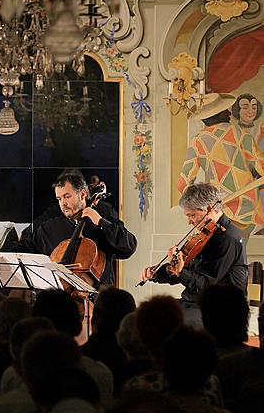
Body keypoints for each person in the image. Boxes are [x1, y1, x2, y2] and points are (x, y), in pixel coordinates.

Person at [140, 183, 248, 326]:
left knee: (165, 324)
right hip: (195, 302)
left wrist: (180, 272)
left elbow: (207, 285)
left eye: (192, 215)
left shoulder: (227, 237)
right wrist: (157, 273)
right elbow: (187, 268)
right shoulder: (205, 235)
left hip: (219, 306)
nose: (189, 221)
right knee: (144, 314)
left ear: (209, 209)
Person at [13, 170, 137, 286]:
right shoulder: (49, 228)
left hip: (99, 303)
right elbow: (27, 248)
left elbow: (129, 247)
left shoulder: (104, 224)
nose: (63, 203)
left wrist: (101, 222)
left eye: (67, 196)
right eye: (59, 199)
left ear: (82, 194)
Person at [177, 93, 264, 240]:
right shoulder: (242, 134)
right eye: (225, 110)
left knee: (225, 253)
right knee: (238, 253)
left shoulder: (197, 142)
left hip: (218, 208)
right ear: (220, 113)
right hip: (247, 207)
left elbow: (182, 184)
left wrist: (199, 207)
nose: (230, 113)